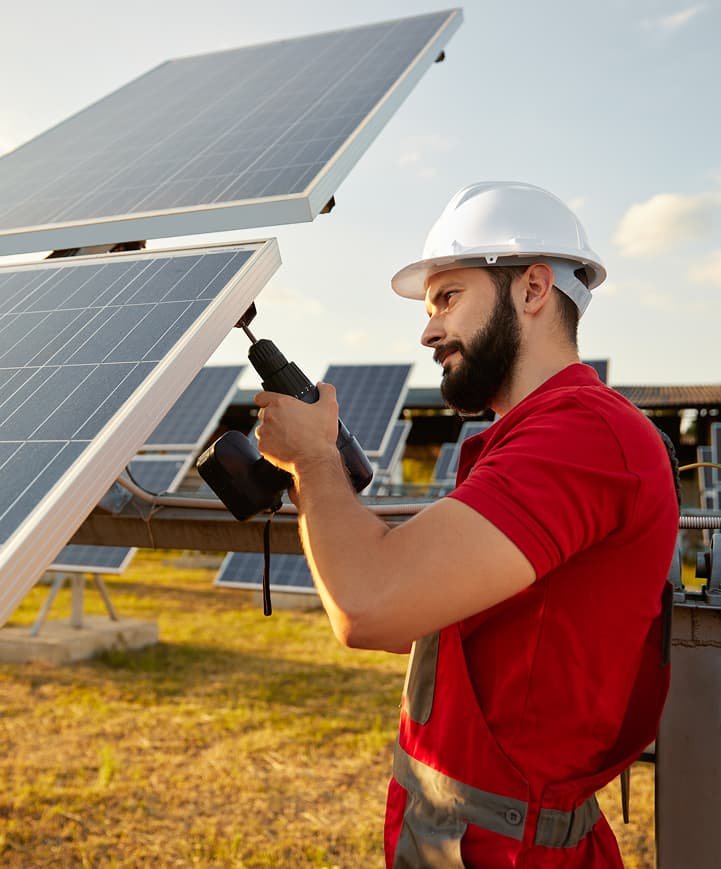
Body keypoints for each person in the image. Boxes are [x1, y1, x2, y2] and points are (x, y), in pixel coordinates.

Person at [254, 181, 679, 867]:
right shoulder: (527, 437)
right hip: (462, 835)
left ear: (533, 289)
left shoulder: (584, 436)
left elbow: (370, 606)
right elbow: (432, 616)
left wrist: (311, 459)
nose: (426, 330)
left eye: (447, 297)